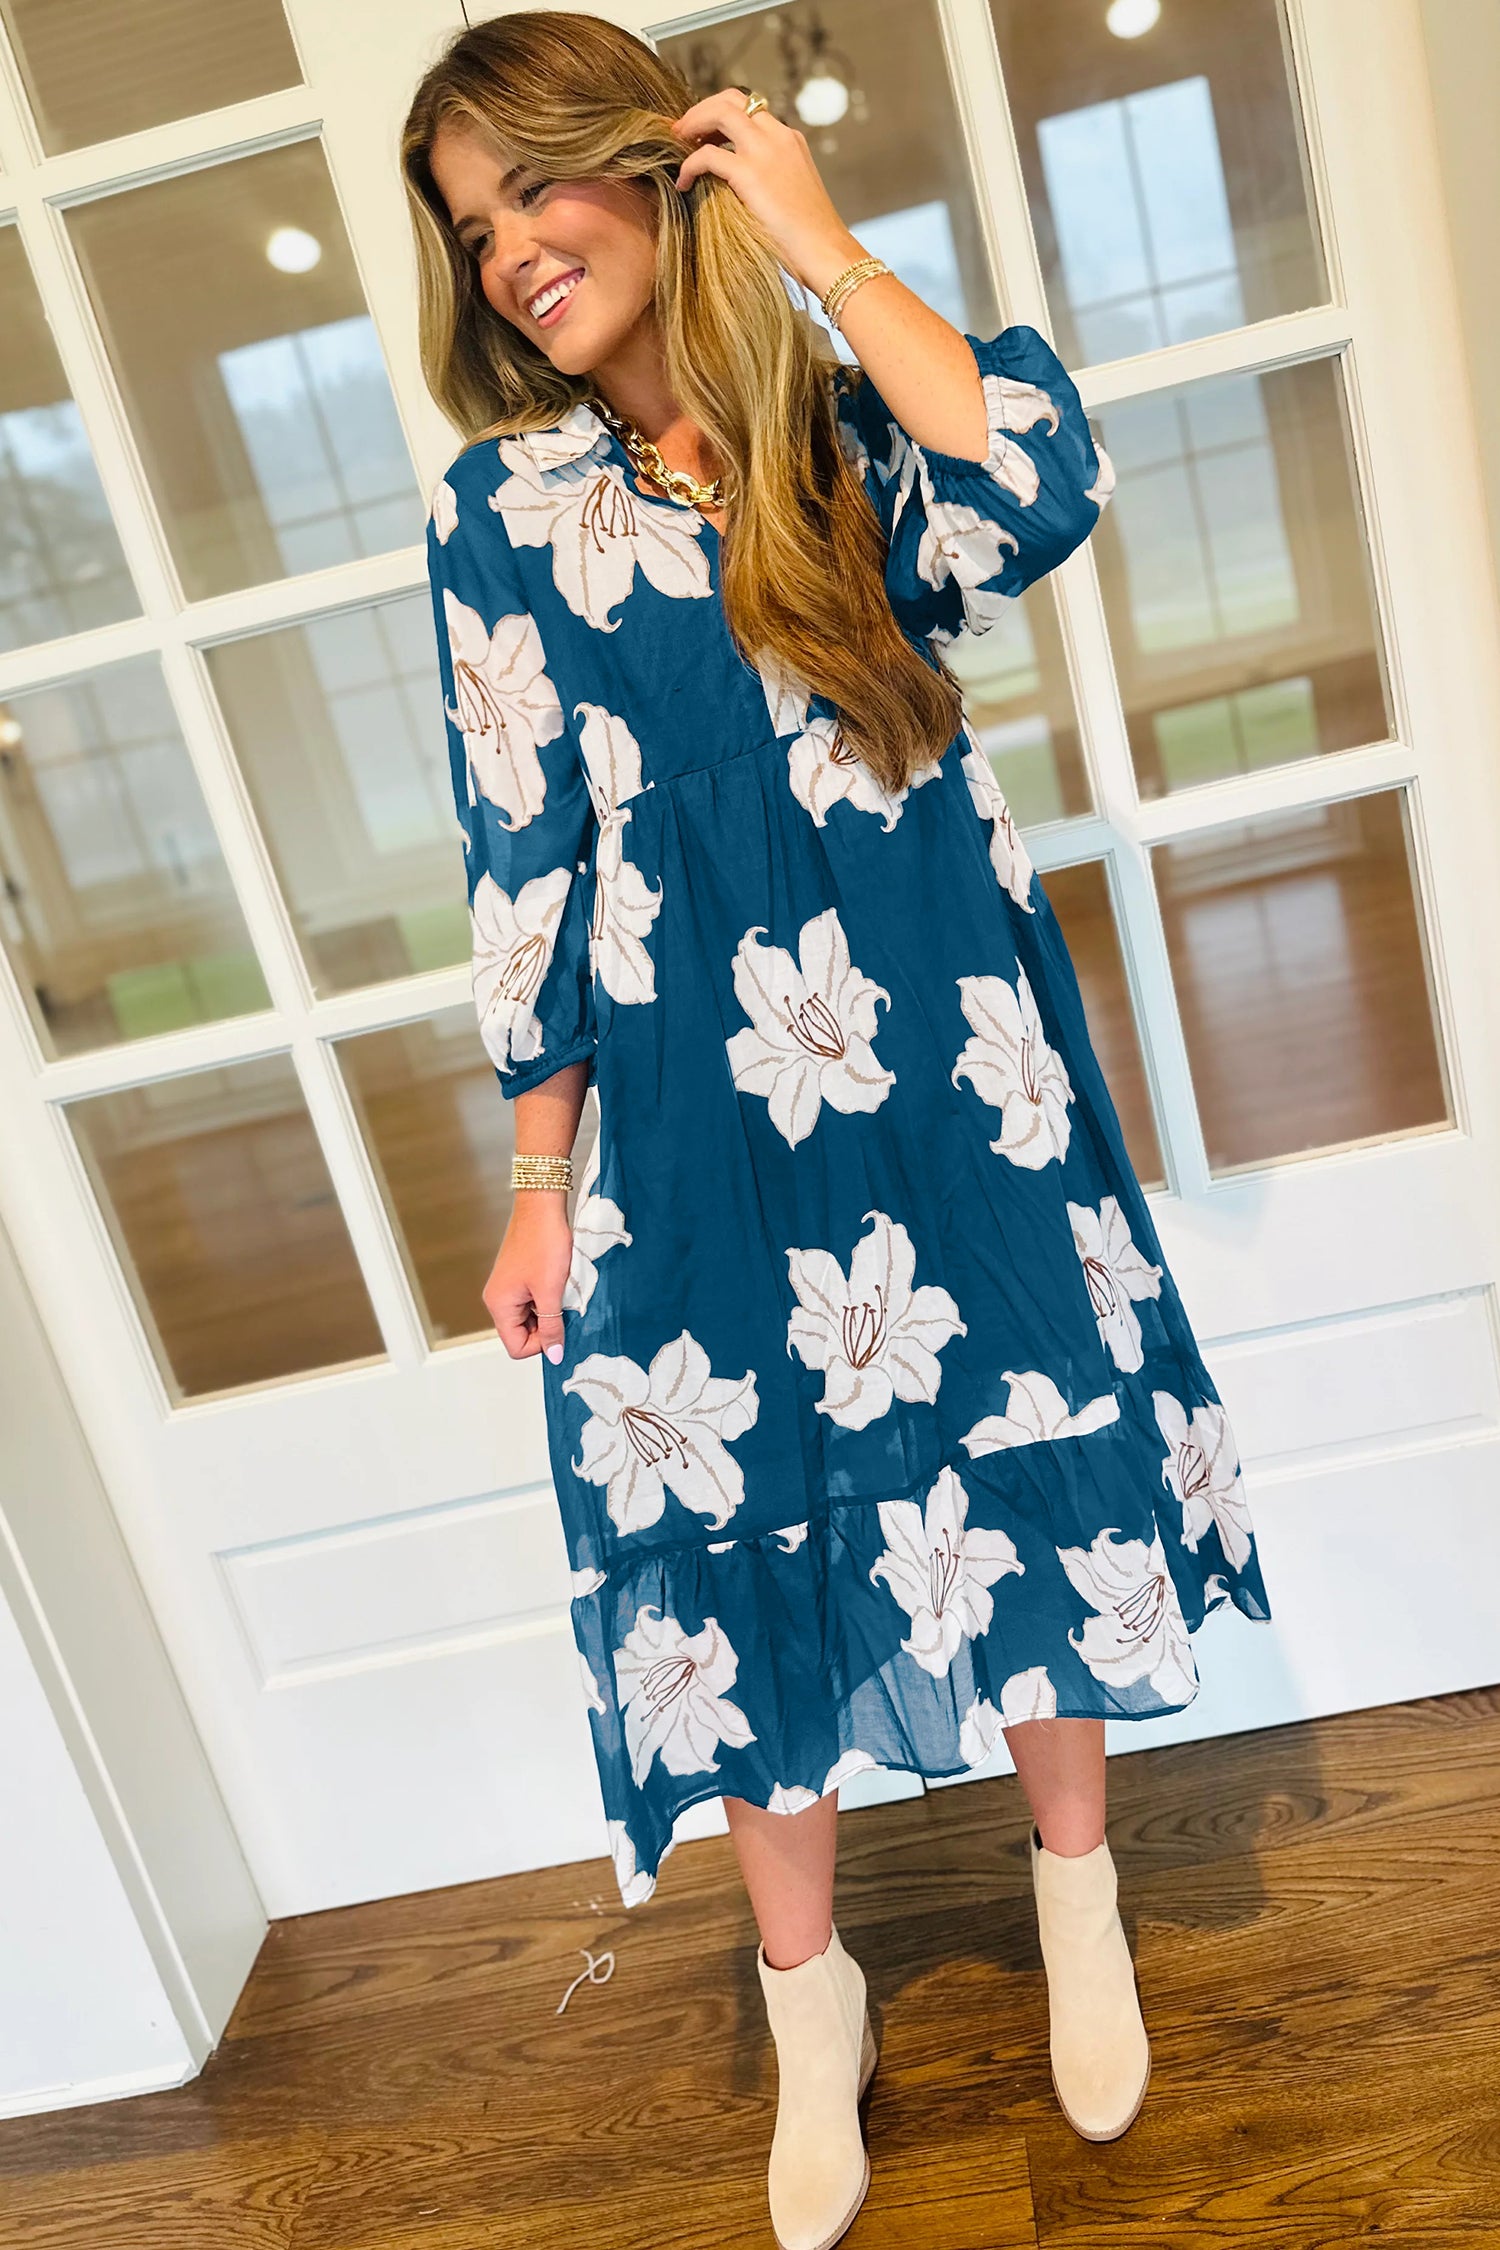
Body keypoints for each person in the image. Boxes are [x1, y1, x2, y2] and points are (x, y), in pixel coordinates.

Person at [402, 13, 1272, 2244]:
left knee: (1024, 1423)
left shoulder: (846, 419)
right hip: (694, 1093)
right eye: (473, 229)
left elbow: (1038, 486)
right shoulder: (504, 515)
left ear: (649, 164)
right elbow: (524, 856)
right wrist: (538, 1181)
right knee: (722, 1498)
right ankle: (813, 1999)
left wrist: (814, 238)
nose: (511, 252)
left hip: (950, 1037)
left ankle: (1076, 1895)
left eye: (536, 186)